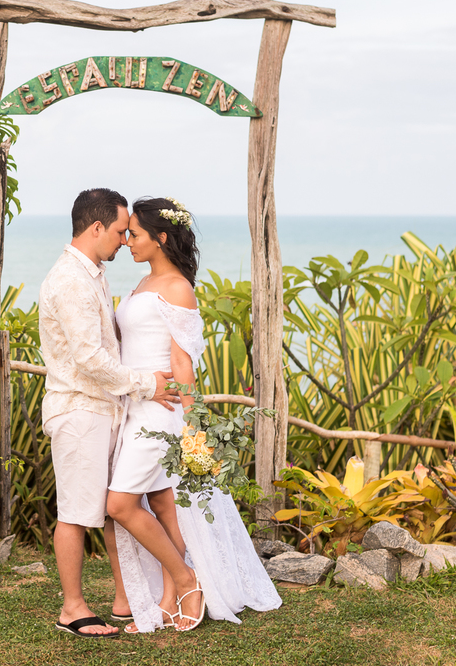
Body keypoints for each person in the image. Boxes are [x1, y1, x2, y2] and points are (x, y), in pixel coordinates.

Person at [106, 197, 282, 633]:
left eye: (135, 234)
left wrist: (193, 425)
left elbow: (182, 362)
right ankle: (171, 597)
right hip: (136, 407)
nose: (127, 241)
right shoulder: (144, 282)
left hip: (161, 413)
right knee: (163, 505)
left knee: (120, 504)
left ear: (161, 238)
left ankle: (187, 580)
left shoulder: (178, 287)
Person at [37, 188, 178, 639]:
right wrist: (147, 383)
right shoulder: (70, 281)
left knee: (115, 507)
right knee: (76, 512)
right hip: (80, 411)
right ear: (96, 227)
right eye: (119, 231)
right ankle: (73, 608)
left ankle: (123, 598)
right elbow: (89, 359)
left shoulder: (92, 272)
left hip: (104, 410)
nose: (124, 240)